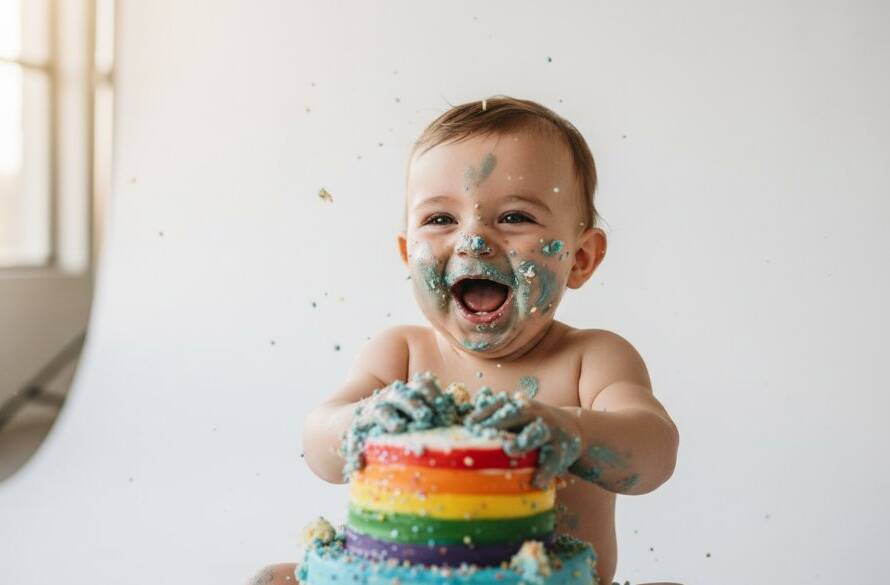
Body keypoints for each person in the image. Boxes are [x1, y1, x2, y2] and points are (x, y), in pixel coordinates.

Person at [250, 96, 679, 585]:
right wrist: (363, 421)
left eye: (515, 217)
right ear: (407, 253)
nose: (473, 240)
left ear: (580, 258)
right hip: (398, 581)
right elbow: (319, 449)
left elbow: (654, 454)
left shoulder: (591, 359)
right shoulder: (401, 355)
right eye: (440, 220)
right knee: (276, 579)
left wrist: (567, 431)